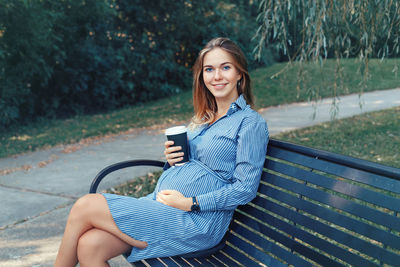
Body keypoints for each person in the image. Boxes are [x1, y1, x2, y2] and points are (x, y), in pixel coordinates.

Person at [54, 37, 269, 267]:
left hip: (198, 221)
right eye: (209, 69)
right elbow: (191, 165)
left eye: (225, 67)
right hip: (163, 209)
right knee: (90, 245)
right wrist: (171, 160)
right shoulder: (202, 119)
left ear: (240, 74)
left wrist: (191, 203)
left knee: (85, 205)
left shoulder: (249, 123)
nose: (217, 76)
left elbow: (245, 189)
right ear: (202, 76)